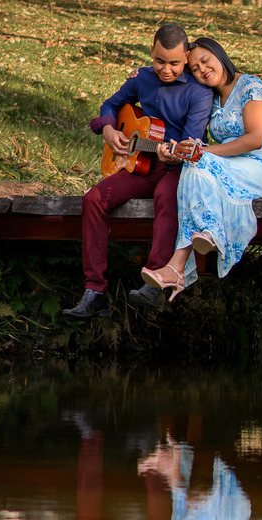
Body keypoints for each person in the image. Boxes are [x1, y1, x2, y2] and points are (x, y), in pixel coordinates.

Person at [62, 24, 214, 320]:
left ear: (186, 57)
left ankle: (155, 281)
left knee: (166, 195)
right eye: (159, 61)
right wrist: (107, 128)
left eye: (173, 63)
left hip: (177, 168)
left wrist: (172, 154)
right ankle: (95, 292)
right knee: (93, 199)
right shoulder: (143, 78)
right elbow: (111, 104)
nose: (166, 69)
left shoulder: (199, 93)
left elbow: (190, 144)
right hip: (140, 165)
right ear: (151, 53)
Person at [141, 37, 262, 301]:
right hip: (229, 167)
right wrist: (141, 73)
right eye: (194, 68)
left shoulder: (250, 85)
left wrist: (203, 152)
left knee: (198, 159)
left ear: (219, 53)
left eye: (205, 61)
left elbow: (255, 139)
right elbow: (168, 73)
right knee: (193, 163)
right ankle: (178, 265)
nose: (202, 70)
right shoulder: (214, 99)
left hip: (261, 167)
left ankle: (204, 239)